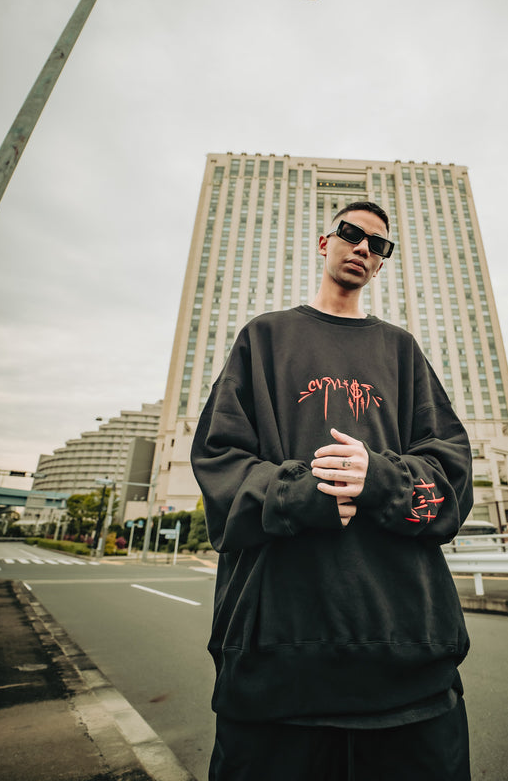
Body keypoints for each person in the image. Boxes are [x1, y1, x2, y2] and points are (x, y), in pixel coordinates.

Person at [191, 201, 473, 780]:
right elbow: (218, 461)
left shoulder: (401, 350)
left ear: (382, 261)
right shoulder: (264, 338)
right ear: (326, 242)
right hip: (276, 666)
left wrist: (379, 480)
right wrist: (304, 493)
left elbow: (451, 475)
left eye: (379, 244)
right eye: (351, 233)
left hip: (410, 668)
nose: (363, 247)